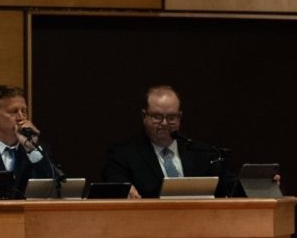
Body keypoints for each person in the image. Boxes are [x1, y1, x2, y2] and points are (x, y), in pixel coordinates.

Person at [101, 83, 237, 199]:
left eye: (171, 117)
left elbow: (232, 189)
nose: (165, 123)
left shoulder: (203, 153)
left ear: (179, 117)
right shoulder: (123, 155)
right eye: (157, 116)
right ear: (144, 115)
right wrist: (125, 191)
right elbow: (116, 186)